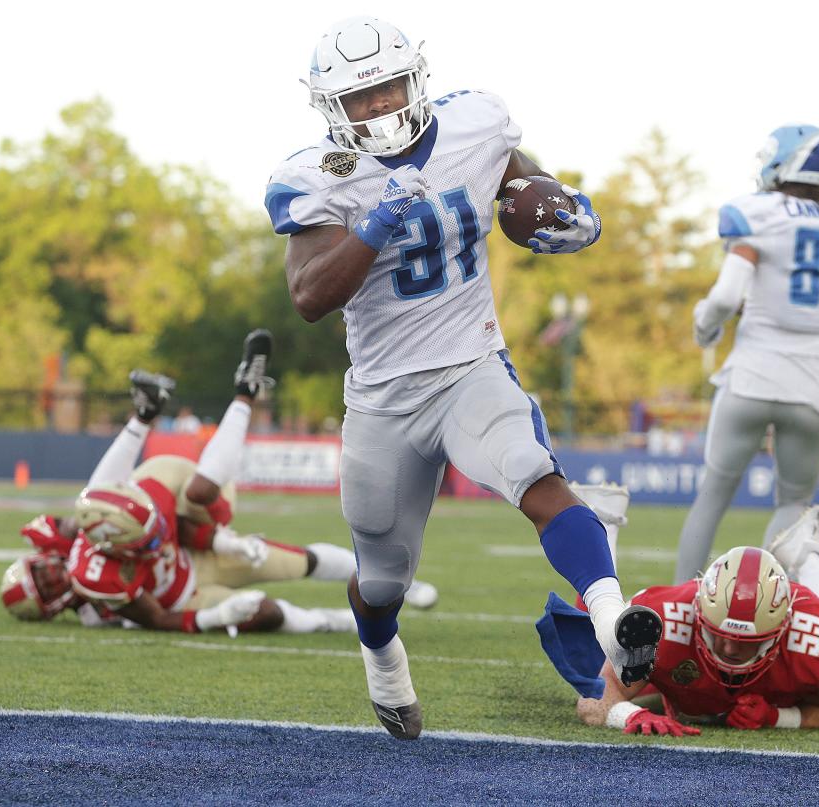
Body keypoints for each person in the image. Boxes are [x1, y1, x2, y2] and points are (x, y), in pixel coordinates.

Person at [265, 15, 661, 739]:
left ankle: (613, 620)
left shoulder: (475, 123)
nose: (380, 106)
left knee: (532, 472)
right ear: (333, 109)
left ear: (413, 79)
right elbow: (311, 297)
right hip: (384, 396)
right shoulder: (318, 176)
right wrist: (376, 222)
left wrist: (565, 211)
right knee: (382, 578)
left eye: (387, 88)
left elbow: (524, 184)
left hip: (470, 363)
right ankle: (382, 655)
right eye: (361, 98)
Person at [1, 332, 438, 633]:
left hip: (171, 513)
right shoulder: (99, 595)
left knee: (190, 494)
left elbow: (104, 512)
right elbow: (155, 618)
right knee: (267, 608)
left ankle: (233, 394)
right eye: (47, 588)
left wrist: (218, 541)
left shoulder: (74, 538)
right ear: (51, 608)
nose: (53, 576)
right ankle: (332, 620)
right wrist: (214, 614)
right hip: (185, 583)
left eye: (42, 572)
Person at [675, 125, 819, 584]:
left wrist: (705, 325)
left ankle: (683, 609)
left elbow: (726, 297)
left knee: (713, 496)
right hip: (815, 385)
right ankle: (767, 616)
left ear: (782, 161)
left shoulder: (759, 214)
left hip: (754, 375)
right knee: (793, 506)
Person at [538, 506, 819, 736]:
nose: (730, 648)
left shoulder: (814, 635)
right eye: (719, 635)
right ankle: (603, 522)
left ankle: (806, 557)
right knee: (590, 671)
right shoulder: (669, 618)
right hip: (686, 675)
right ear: (700, 612)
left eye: (748, 642)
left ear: (781, 631)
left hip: (773, 681)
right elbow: (594, 699)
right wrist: (629, 717)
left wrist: (778, 717)